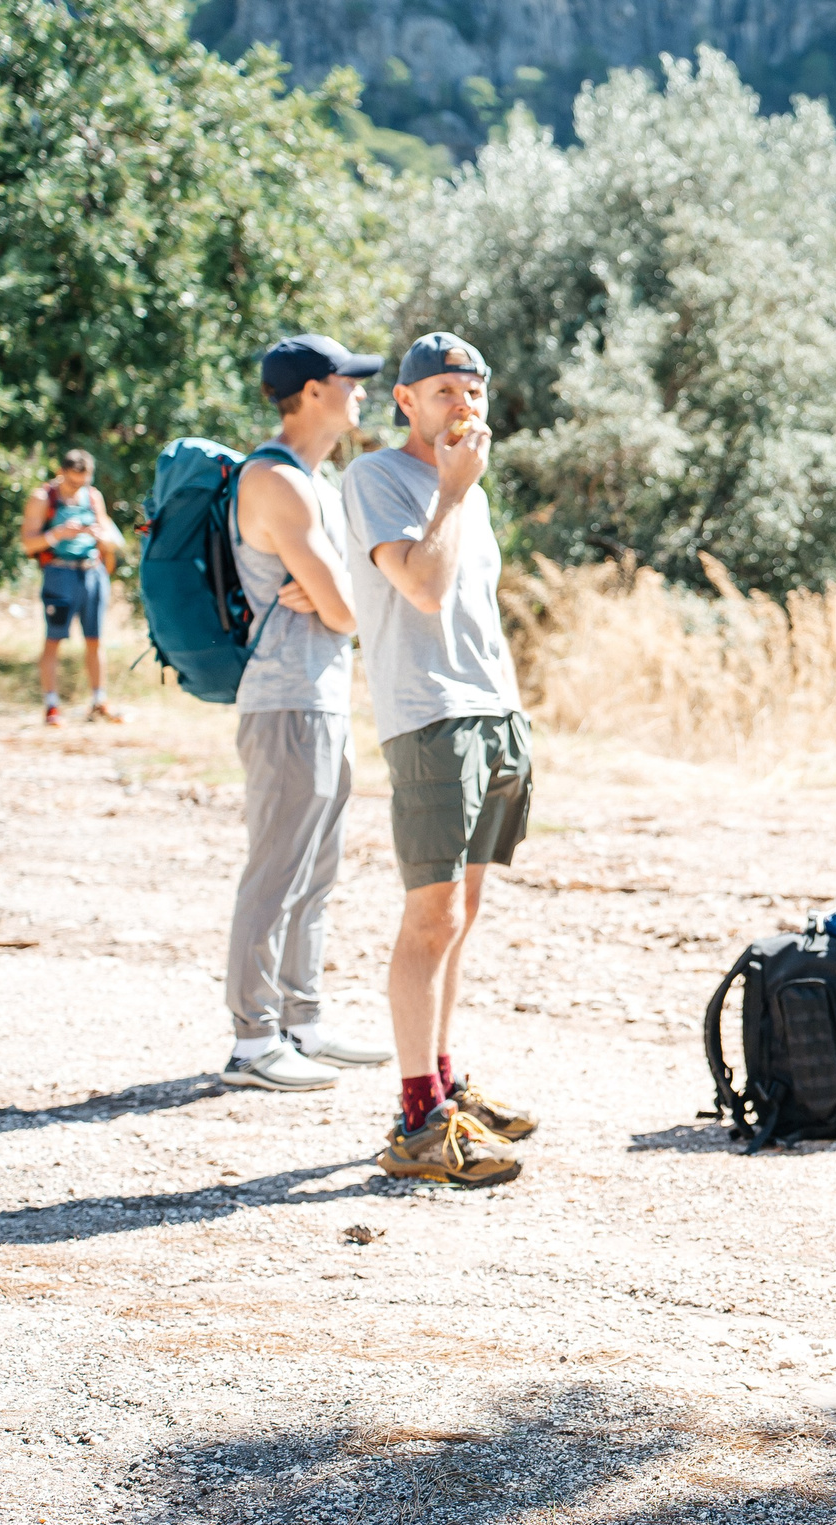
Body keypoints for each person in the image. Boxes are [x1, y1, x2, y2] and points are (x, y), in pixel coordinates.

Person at [342, 332, 539, 1185]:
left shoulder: (470, 491)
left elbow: (472, 613)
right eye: (447, 392)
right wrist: (454, 492)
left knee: (463, 912)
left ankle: (447, 1082)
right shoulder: (379, 480)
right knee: (430, 918)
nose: (465, 406)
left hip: (492, 712)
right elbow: (420, 586)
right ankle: (417, 1118)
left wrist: (514, 709)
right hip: (430, 719)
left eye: (475, 392)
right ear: (407, 402)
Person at [218, 335, 396, 1094]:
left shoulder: (316, 483)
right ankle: (252, 1040)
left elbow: (342, 602)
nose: (361, 392)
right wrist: (343, 596)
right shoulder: (277, 482)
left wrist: (340, 595)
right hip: (285, 700)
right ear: (314, 391)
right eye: (348, 380)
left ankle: (302, 1019)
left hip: (318, 697)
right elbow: (348, 607)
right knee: (277, 869)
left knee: (315, 870)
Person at [21, 449, 127, 727]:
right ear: (61, 473)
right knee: (54, 640)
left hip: (92, 572)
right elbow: (28, 544)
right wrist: (58, 533)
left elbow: (109, 536)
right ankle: (52, 706)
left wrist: (99, 535)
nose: (79, 487)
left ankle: (99, 701)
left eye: (83, 481)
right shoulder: (42, 498)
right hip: (59, 573)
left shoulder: (93, 497)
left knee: (95, 640)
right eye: (73, 482)